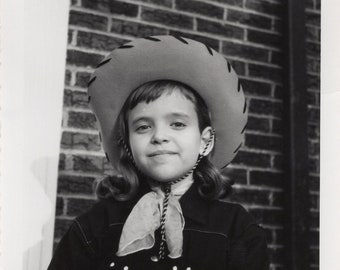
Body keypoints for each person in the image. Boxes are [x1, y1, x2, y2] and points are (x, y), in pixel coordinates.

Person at [48, 35, 269, 270]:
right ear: (127, 145)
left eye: (177, 124)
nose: (159, 136)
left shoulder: (236, 228)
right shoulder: (96, 225)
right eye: (143, 127)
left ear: (205, 141)